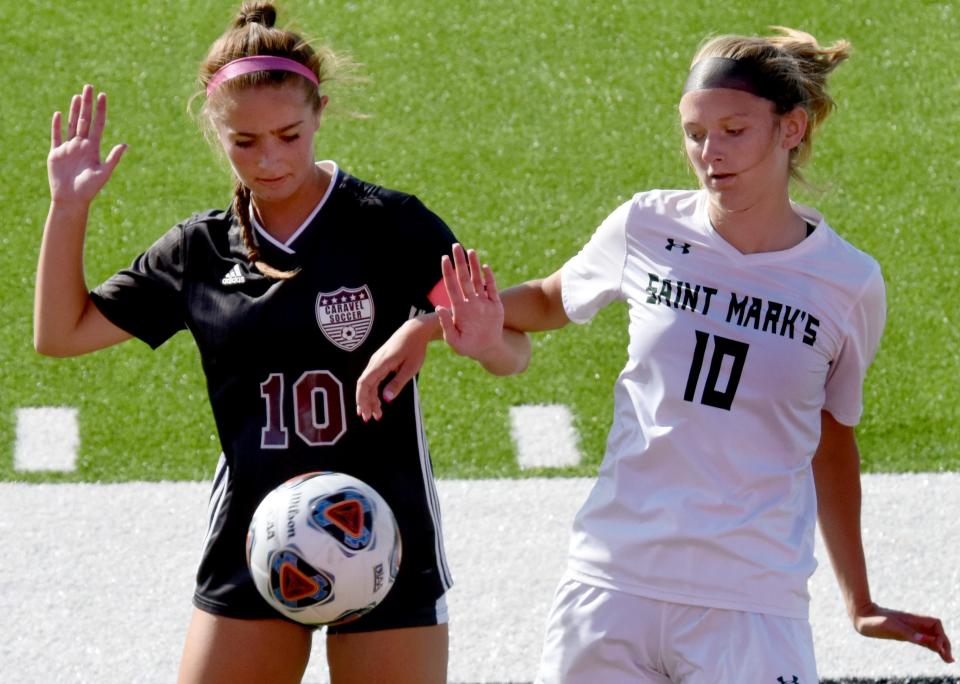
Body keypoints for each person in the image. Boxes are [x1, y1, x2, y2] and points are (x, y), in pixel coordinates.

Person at [357, 26, 954, 681]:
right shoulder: (646, 226)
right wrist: (431, 327)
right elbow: (551, 301)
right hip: (613, 584)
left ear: (791, 129)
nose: (709, 154)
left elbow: (832, 438)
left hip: (750, 604)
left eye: (734, 131)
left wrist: (858, 599)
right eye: (695, 133)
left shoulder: (848, 283)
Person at [34, 3, 525, 682]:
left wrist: (467, 337)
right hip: (256, 540)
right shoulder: (198, 250)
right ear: (215, 131)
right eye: (245, 142)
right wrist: (69, 208)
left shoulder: (392, 225)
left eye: (289, 135)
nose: (269, 160)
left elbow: (512, 352)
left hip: (384, 536)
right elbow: (61, 334)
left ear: (319, 113)